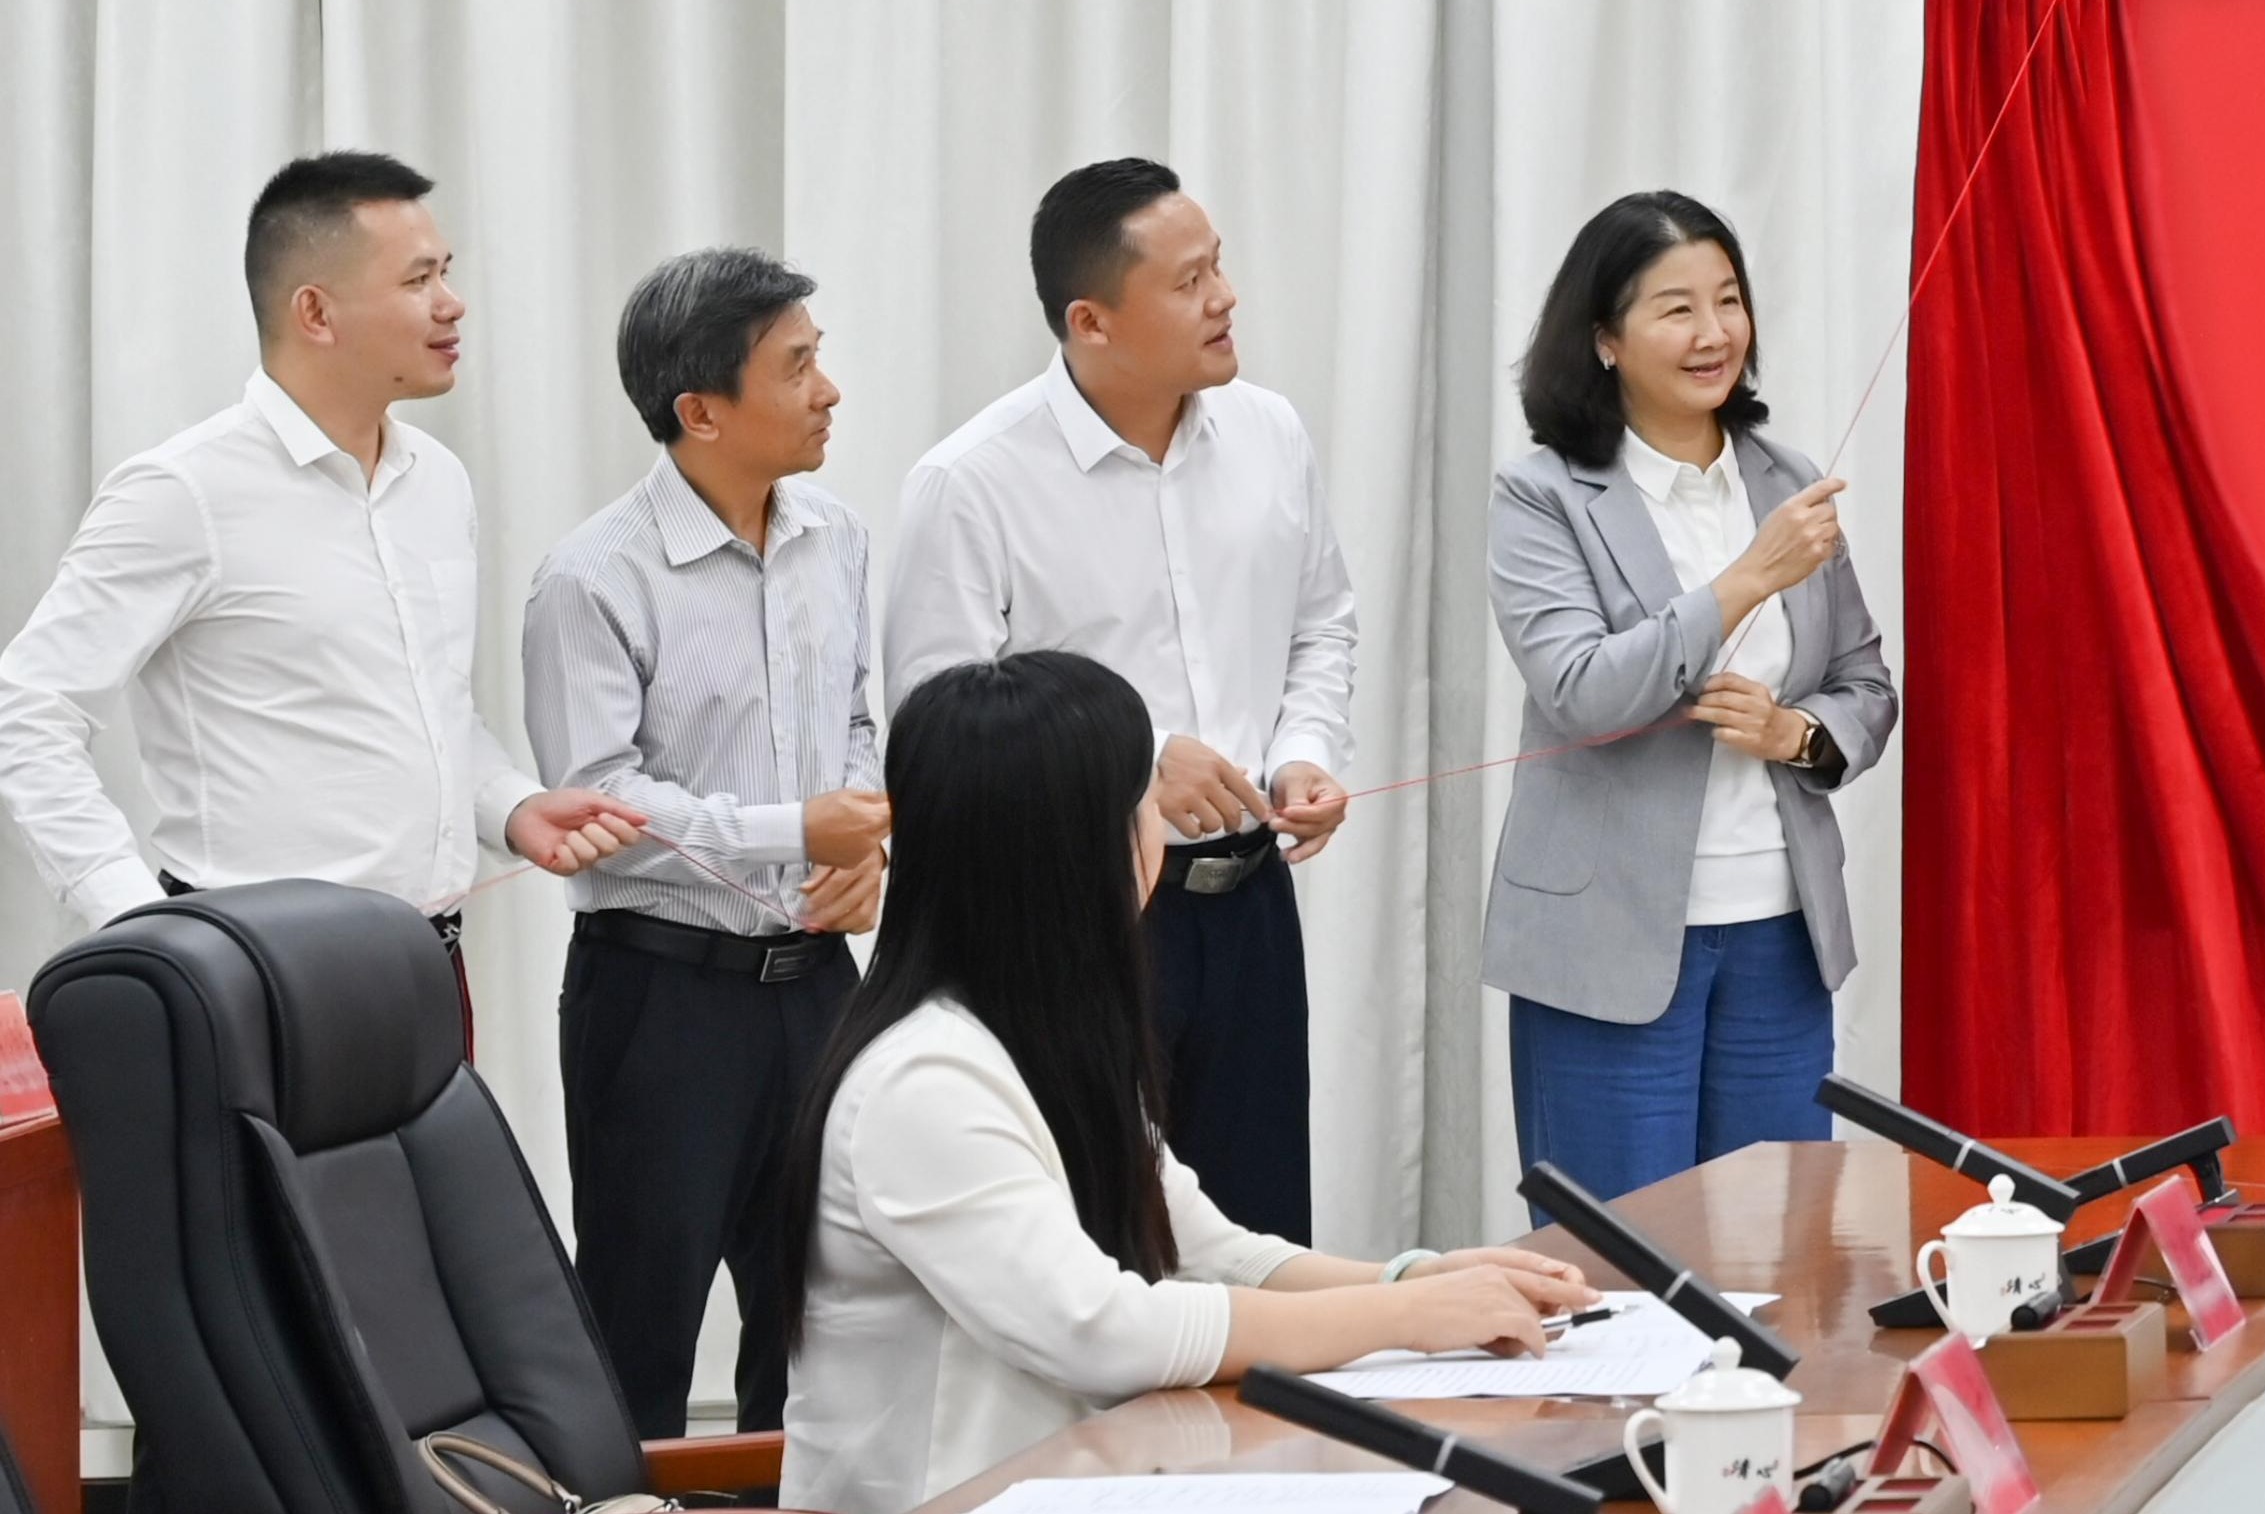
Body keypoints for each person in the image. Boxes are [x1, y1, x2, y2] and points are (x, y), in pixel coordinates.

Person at [768, 651, 1591, 1514]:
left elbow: (1211, 1251)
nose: (1161, 832)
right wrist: (1406, 1319)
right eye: (1146, 807)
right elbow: (1099, 1332)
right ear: (1081, 851)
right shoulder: (923, 1080)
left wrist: (1413, 1280)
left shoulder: (1045, 1035)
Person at [0, 153, 643, 981]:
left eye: (445, 272)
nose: (452, 303)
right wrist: (138, 925)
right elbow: (28, 713)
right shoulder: (183, 492)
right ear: (315, 311)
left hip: (431, 961)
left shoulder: (438, 481)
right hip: (251, 974)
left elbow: (432, 711)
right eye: (418, 280)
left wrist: (512, 808)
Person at [887, 159, 1361, 1239]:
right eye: (1190, 280)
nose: (1226, 297)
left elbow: (1321, 622)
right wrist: (1134, 765)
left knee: (1255, 1230)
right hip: (1076, 919)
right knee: (1101, 1238)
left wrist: (1303, 748)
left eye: (1218, 266)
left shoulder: (1270, 432)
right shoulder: (972, 481)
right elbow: (939, 731)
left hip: (1250, 904)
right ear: (1090, 320)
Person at [522, 248, 897, 1438]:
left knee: (828, 1325)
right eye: (797, 366)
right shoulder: (591, 576)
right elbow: (596, 806)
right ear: (701, 410)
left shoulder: (837, 535)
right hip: (661, 1001)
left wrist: (860, 844)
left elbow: (855, 721)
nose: (829, 389)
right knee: (642, 1327)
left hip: (818, 986)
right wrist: (797, 830)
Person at [1490, 194, 1896, 1199]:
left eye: (1728, 300)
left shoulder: (1786, 477)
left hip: (1779, 929)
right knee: (1619, 1251)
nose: (1713, 332)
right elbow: (1581, 690)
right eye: (1676, 308)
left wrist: (1796, 732)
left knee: (1778, 1246)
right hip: (1607, 944)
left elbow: (1863, 681)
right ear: (1605, 339)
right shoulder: (1542, 492)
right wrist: (1746, 579)